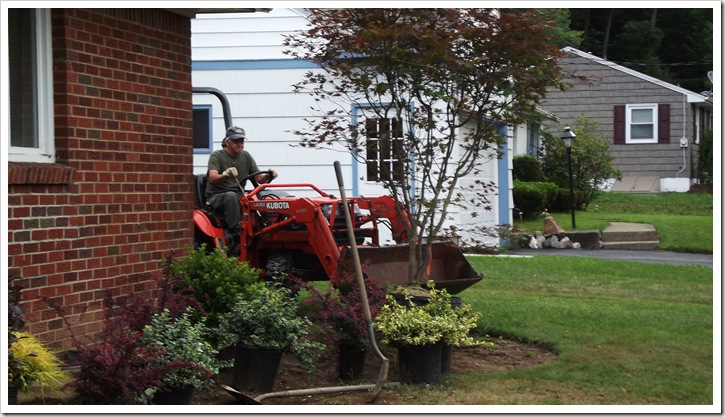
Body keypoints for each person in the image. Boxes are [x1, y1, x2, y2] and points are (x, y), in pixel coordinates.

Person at [205, 126, 277, 256]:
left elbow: (259, 179)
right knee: (231, 196)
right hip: (216, 197)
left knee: (254, 200)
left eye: (241, 141)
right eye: (236, 141)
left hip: (238, 195)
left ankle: (262, 230)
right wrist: (225, 175)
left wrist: (269, 176)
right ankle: (236, 236)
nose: (239, 144)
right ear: (228, 142)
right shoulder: (217, 156)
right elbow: (212, 177)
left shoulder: (246, 156)